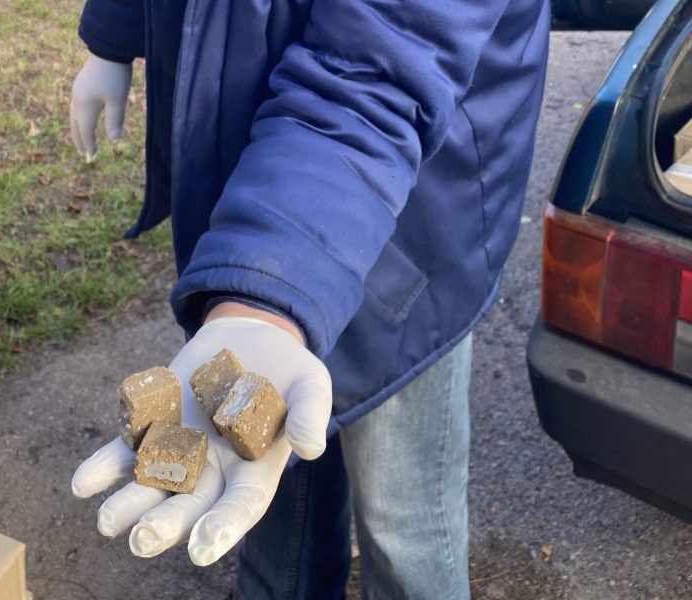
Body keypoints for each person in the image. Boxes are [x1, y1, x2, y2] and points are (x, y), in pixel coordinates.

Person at [69, 1, 550, 598]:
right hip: (248, 194)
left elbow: (382, 69)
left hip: (413, 229)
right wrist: (114, 33)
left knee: (405, 523)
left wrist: (261, 300)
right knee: (271, 514)